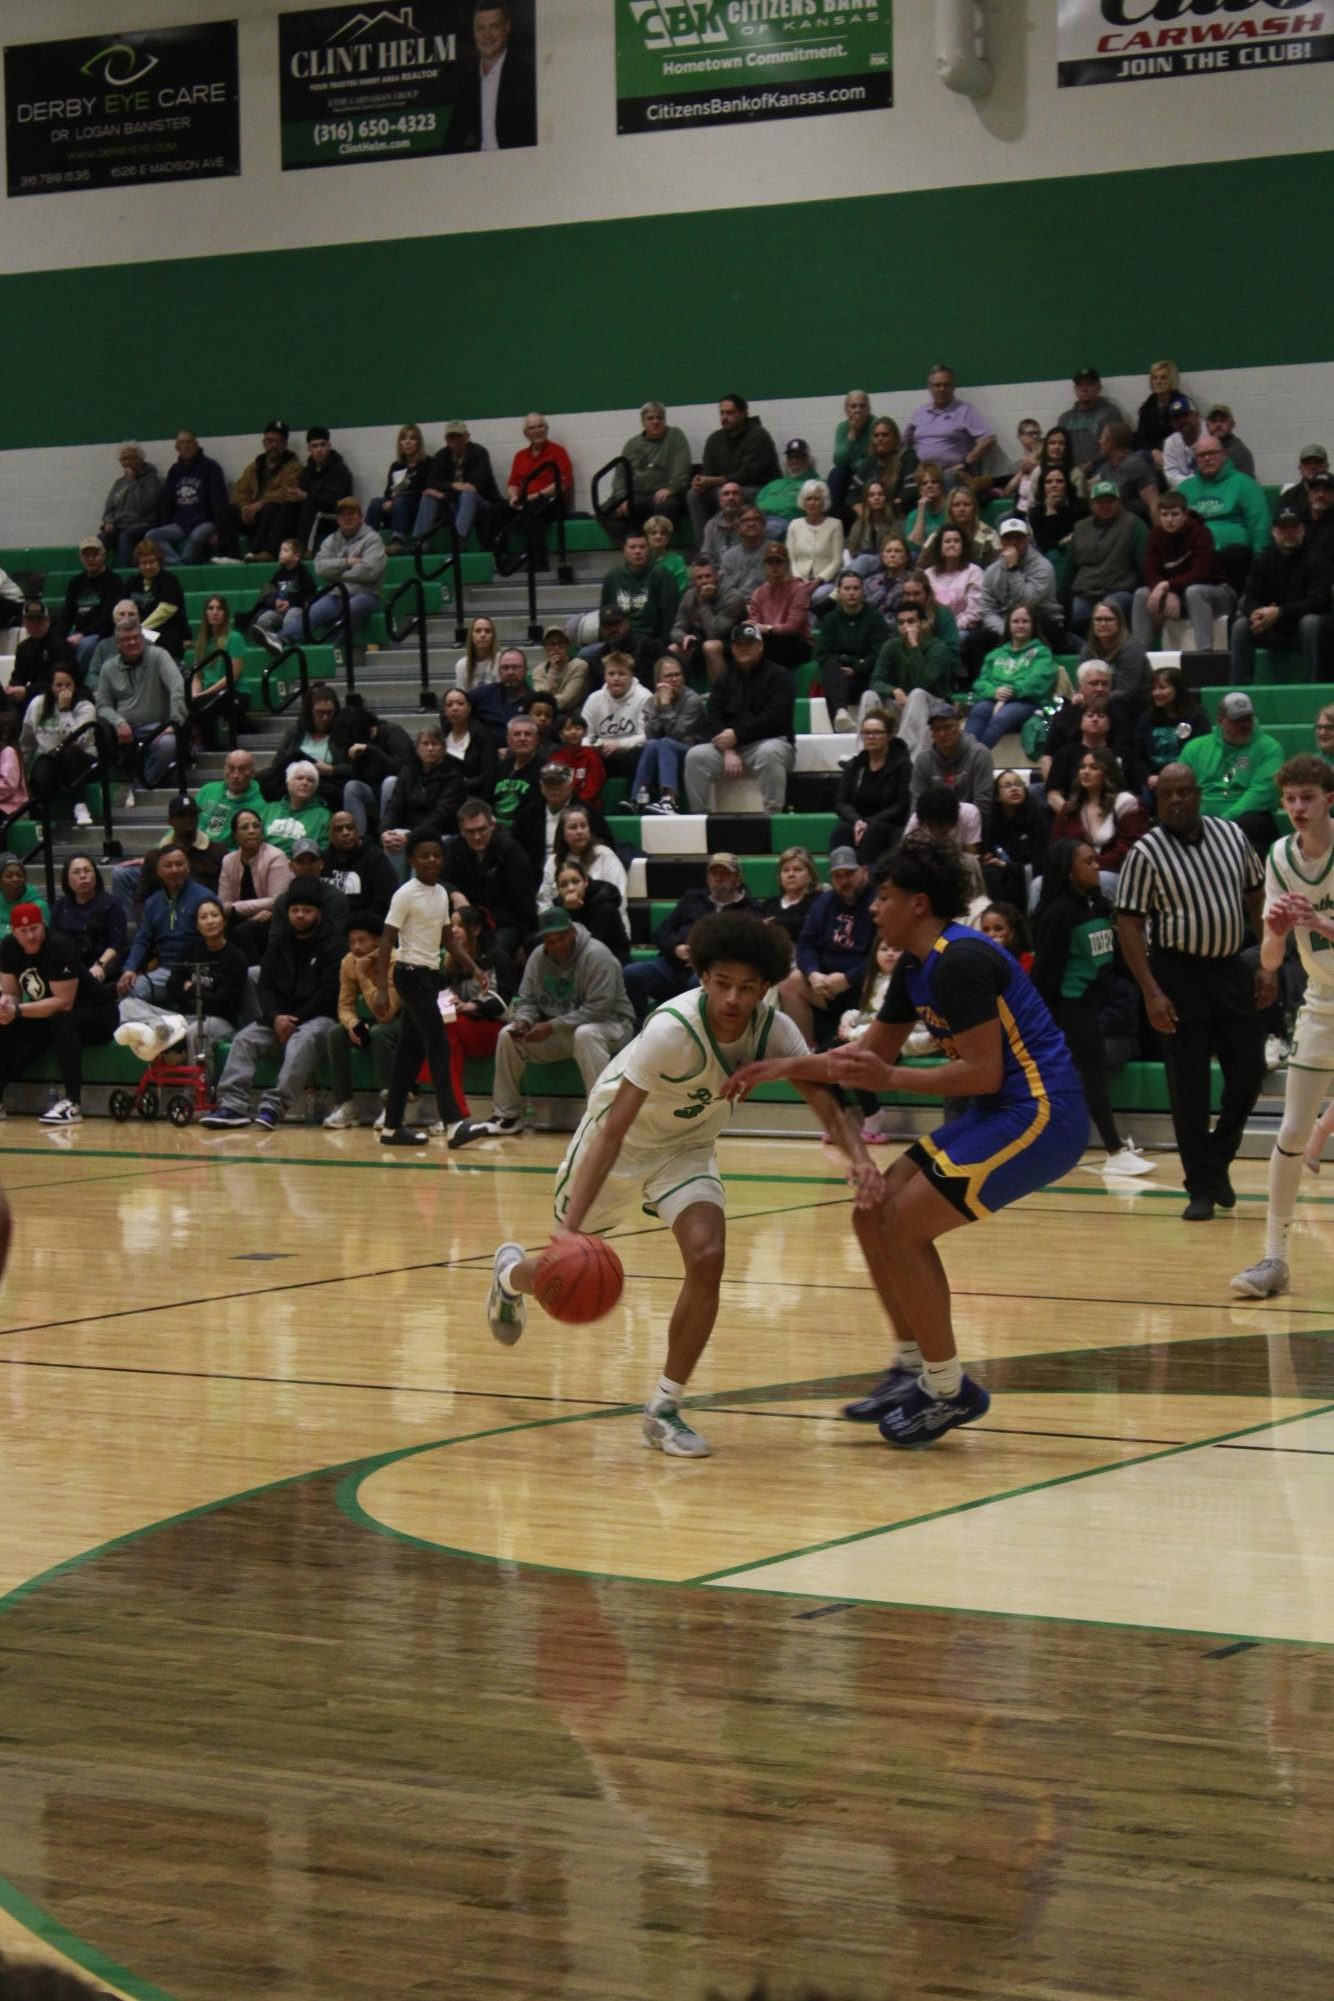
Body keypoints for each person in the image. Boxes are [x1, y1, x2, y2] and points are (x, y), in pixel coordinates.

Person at [726, 837, 1087, 1441]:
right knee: (872, 1213)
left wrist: (891, 1079)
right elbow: (867, 1054)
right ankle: (913, 1367)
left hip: (1042, 1112)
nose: (873, 908)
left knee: (902, 1225)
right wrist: (780, 1067)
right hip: (1003, 1109)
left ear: (919, 904)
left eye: (884, 897)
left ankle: (948, 1391)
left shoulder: (962, 960)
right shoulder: (916, 966)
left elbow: (981, 1072)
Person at [482, 911, 826, 1458]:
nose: (734, 999)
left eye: (747, 988)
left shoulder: (774, 1029)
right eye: (722, 984)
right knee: (559, 1264)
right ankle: (510, 1276)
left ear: (765, 988)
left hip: (685, 1149)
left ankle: (664, 1409)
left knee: (708, 1255)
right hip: (619, 1146)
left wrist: (857, 1157)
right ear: (702, 978)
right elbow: (614, 1131)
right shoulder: (672, 1029)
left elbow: (820, 1085)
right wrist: (567, 1234)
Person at [1115, 764, 1273, 1220]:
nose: (1177, 801)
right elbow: (1129, 923)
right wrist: (1151, 991)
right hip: (1176, 973)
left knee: (1248, 1073)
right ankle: (1200, 1187)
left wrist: (1266, 960)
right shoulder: (1145, 851)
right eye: (1168, 795)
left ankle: (1215, 1161)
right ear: (1158, 801)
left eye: (1184, 792)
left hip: (1230, 969)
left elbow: (1257, 896)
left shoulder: (1231, 835)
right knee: (1189, 1088)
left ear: (1199, 794)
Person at [1230, 757, 1334, 1297]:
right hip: (1322, 1002)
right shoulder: (1278, 858)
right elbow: (1270, 963)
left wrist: (1320, 922)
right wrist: (1273, 931)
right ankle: (1275, 1258)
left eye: (1307, 798)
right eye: (1290, 798)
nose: (1297, 808)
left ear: (1328, 799)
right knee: (1292, 1132)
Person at [450, 905, 634, 1146]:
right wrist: (524, 1021)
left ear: (573, 932)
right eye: (550, 940)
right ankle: (506, 1117)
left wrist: (551, 1026)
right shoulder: (538, 957)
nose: (556, 945)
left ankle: (602, 1118)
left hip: (612, 1026)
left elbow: (598, 1008)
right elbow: (527, 1001)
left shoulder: (597, 955)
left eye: (561, 938)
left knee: (586, 1034)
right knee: (508, 1035)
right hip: (565, 1031)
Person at [1033, 839, 1153, 1176]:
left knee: (1081, 1077)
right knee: (1094, 1075)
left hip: (1096, 1003)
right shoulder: (1057, 915)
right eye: (1088, 861)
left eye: (1095, 859)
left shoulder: (1098, 905)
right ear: (1068, 870)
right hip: (1069, 1006)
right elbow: (1045, 976)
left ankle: (1062, 1144)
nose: (1097, 865)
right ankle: (1114, 1151)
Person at [201, 881, 344, 1131]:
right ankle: (233, 1106)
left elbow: (328, 993)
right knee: (245, 1039)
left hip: (319, 1017)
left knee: (304, 1039)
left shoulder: (334, 944)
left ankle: (273, 1107)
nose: (300, 915)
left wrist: (294, 1019)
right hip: (280, 1016)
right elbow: (265, 985)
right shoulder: (279, 941)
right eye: (295, 909)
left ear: (318, 913)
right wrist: (276, 1017)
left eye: (306, 910)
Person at [0, 901, 118, 1124]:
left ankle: (73, 1103)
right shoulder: (8, 948)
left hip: (98, 1013)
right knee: (6, 1023)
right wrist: (6, 1005)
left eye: (34, 928)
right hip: (53, 1013)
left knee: (62, 1019)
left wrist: (17, 1010)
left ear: (43, 925)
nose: (30, 936)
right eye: (23, 931)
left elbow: (64, 1002)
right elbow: (12, 993)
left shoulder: (59, 946)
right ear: (14, 932)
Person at [115, 893, 246, 1067]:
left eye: (215, 915)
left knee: (195, 1032)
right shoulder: (190, 949)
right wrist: (198, 994)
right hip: (183, 1018)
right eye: (204, 917)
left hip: (219, 1021)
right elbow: (172, 988)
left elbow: (223, 1002)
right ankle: (159, 1026)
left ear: (224, 921)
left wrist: (192, 990)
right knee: (127, 1004)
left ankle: (196, 1092)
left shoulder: (236, 957)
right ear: (197, 926)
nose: (210, 921)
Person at [623, 852, 755, 1023]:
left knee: (699, 984)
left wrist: (702, 957)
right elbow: (662, 932)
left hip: (711, 972)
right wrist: (676, 947)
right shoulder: (692, 898)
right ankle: (639, 1030)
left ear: (738, 879)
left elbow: (743, 950)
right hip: (673, 966)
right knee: (632, 973)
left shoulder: (749, 910)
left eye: (725, 874)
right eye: (714, 873)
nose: (718, 878)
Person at [683, 624, 795, 814]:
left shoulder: (780, 676)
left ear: (760, 646)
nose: (743, 648)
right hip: (730, 748)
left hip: (769, 743)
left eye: (749, 643)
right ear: (732, 648)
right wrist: (728, 748)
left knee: (769, 752)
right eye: (738, 644)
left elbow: (775, 718)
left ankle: (774, 814)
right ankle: (699, 818)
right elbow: (713, 717)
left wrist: (737, 736)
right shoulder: (723, 680)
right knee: (695, 756)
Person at [778, 848, 876, 1044]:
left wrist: (848, 979)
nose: (844, 881)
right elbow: (806, 944)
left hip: (863, 985)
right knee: (790, 981)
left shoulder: (878, 902)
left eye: (849, 873)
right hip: (825, 986)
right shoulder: (825, 901)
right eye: (837, 876)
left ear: (864, 871)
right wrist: (813, 974)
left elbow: (883, 954)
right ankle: (805, 1053)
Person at [1229, 507, 1332, 685]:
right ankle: (1239, 688)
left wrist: (1279, 611)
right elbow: (1251, 596)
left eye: (1293, 528)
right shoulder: (1262, 560)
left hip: (1306, 631)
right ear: (1274, 532)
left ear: (1302, 530)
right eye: (1283, 529)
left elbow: (1319, 601)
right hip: (1271, 627)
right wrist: (1256, 613)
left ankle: (1315, 685)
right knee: (1241, 625)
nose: (1288, 533)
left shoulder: (1317, 561)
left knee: (1310, 623)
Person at [1131, 487, 1234, 654]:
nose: (1169, 520)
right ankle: (1136, 654)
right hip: (1180, 596)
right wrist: (1169, 591)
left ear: (1185, 515)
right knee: (1142, 594)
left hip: (1216, 593)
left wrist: (1166, 586)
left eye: (1174, 514)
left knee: (1195, 591)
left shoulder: (1201, 532)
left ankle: (1205, 653)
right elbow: (1150, 571)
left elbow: (1201, 574)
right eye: (1164, 515)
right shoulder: (1155, 535)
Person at [1181, 690, 1282, 852]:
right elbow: (1182, 788)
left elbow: (1262, 792)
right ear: (1220, 721)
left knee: (1253, 823)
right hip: (1200, 816)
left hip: (1246, 819)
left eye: (1247, 718)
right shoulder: (1195, 748)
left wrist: (1224, 821)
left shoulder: (1269, 748)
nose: (1244, 725)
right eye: (1237, 720)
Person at [94, 620, 186, 795]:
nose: (132, 643)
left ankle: (138, 789)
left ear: (143, 638)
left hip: (158, 727)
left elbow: (177, 687)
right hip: (122, 732)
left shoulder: (159, 656)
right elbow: (102, 706)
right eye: (126, 639)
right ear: (118, 644)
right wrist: (118, 722)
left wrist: (174, 722)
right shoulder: (108, 668)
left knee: (168, 744)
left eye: (136, 638)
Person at [115, 844, 212, 1002]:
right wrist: (130, 968)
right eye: (168, 865)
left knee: (133, 996)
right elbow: (142, 939)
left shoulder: (204, 898)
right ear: (159, 872)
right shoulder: (153, 903)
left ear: (188, 867)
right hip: (165, 969)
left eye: (179, 864)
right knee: (126, 988)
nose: (174, 870)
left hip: (196, 969)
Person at [967, 517, 1066, 672]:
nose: (1013, 542)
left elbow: (1026, 603)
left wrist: (1013, 569)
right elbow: (988, 611)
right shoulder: (992, 571)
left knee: (1036, 626)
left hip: (1041, 622)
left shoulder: (1043, 566)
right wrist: (1005, 631)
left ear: (1027, 540)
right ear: (1001, 541)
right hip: (1007, 625)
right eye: (1008, 538)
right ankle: (982, 688)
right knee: (975, 640)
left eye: (1018, 537)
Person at [440, 798, 537, 957]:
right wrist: (454, 894)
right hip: (465, 922)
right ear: (462, 830)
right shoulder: (455, 848)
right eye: (470, 831)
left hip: (503, 925)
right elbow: (439, 880)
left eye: (482, 829)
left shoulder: (510, 851)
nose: (477, 836)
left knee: (489, 952)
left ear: (492, 825)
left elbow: (524, 906)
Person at [1177, 436, 1271, 594]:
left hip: (1232, 559)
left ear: (1224, 455)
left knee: (1233, 554)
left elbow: (1259, 526)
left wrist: (1260, 566)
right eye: (1201, 455)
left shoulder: (1244, 484)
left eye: (1212, 453)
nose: (1207, 458)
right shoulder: (1185, 489)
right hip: (1195, 556)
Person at [285, 499, 386, 644]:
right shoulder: (330, 541)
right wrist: (347, 562)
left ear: (360, 517)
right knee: (313, 611)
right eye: (343, 515)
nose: (347, 518)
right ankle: (280, 638)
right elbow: (320, 568)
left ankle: (332, 648)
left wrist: (336, 573)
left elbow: (370, 571)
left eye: (351, 513)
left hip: (366, 593)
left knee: (353, 607)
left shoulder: (373, 540)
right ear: (338, 519)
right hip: (336, 594)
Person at [1049, 748, 1147, 893]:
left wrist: (1089, 866)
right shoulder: (1070, 807)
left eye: (1094, 768)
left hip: (1114, 871)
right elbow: (1056, 844)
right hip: (1074, 872)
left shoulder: (1126, 804)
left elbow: (1129, 849)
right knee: (1038, 885)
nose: (1085, 772)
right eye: (1083, 767)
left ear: (1108, 773)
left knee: (1102, 880)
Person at [688, 394, 782, 544]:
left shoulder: (758, 435)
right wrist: (700, 483)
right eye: (722, 413)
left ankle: (737, 544)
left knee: (726, 494)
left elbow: (748, 474)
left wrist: (714, 481)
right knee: (694, 495)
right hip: (727, 486)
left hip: (759, 488)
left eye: (730, 413)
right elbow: (708, 472)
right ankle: (705, 549)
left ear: (744, 413)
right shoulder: (714, 439)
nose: (725, 417)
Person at [965, 604, 1057, 749]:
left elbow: (1035, 683)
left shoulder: (1042, 653)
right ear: (1008, 625)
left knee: (1001, 718)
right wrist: (994, 692)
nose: (1020, 625)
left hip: (1027, 702)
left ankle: (977, 761)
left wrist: (1009, 693)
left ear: (1033, 625)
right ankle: (967, 758)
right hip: (994, 698)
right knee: (978, 711)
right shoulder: (996, 653)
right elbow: (981, 682)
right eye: (1015, 621)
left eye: (1025, 621)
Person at [451, 1, 537, 151]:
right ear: (474, 32)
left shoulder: (526, 75)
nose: (487, 35)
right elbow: (453, 138)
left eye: (494, 26)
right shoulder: (466, 81)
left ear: (507, 27)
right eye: (481, 28)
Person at [21, 668, 97, 829]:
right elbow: (27, 742)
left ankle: (80, 805)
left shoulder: (85, 707)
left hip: (82, 759)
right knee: (41, 773)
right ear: (50, 687)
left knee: (70, 753)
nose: (64, 690)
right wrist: (22, 773)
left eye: (68, 685)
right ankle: (44, 820)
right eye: (59, 685)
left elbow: (77, 741)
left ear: (75, 685)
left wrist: (65, 710)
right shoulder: (37, 705)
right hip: (51, 757)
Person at [834, 706, 911, 863]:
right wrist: (857, 821)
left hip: (889, 823)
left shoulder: (903, 765)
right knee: (841, 831)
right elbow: (841, 802)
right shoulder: (855, 765)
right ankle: (839, 878)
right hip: (858, 822)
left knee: (874, 832)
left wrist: (869, 823)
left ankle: (866, 879)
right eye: (866, 732)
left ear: (889, 735)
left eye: (876, 732)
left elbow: (902, 805)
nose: (871, 737)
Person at [631, 655, 707, 814]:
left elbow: (676, 734)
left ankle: (670, 801)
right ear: (658, 680)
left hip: (693, 751)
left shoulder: (693, 700)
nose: (674, 679)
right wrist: (659, 705)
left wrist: (665, 706)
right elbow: (651, 736)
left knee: (665, 742)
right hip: (664, 751)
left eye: (677, 674)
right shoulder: (651, 701)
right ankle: (637, 799)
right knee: (652, 744)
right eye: (668, 675)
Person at [813, 571, 889, 730]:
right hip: (839, 676)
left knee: (833, 682)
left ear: (863, 591)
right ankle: (841, 712)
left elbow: (879, 654)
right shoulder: (830, 620)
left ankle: (841, 719)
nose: (852, 592)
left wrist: (855, 668)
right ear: (839, 593)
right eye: (847, 588)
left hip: (866, 678)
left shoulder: (875, 619)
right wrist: (845, 667)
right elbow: (822, 654)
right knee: (831, 668)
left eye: (856, 588)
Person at [603, 401, 691, 537]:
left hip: (665, 494)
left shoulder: (675, 436)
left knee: (667, 506)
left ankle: (657, 547)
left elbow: (682, 468)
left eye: (660, 418)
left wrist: (671, 488)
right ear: (643, 422)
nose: (655, 422)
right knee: (603, 511)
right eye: (650, 418)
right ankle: (633, 543)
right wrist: (622, 498)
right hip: (637, 495)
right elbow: (620, 476)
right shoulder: (632, 444)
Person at [1067, 481, 1145, 634]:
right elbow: (1069, 571)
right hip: (1086, 593)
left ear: (1119, 502)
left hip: (1120, 590)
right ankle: (1089, 653)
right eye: (1100, 502)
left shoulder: (1134, 525)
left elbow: (1144, 565)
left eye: (1110, 501)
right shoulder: (1080, 528)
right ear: (1092, 505)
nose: (1105, 506)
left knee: (1106, 613)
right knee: (1070, 618)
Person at [902, 364, 996, 487]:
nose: (942, 389)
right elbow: (905, 442)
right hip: (924, 474)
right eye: (937, 385)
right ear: (929, 387)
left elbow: (989, 440)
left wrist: (966, 463)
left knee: (944, 483)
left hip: (953, 474)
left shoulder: (965, 411)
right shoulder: (919, 413)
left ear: (953, 388)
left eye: (946, 385)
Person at [219, 807, 293, 962]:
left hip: (272, 918)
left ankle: (255, 978)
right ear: (235, 835)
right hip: (242, 918)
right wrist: (246, 914)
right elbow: (223, 904)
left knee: (242, 932)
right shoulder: (228, 860)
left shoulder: (276, 856)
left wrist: (235, 908)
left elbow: (277, 901)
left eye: (256, 826)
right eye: (245, 827)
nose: (252, 831)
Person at [147, 429, 229, 567]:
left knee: (196, 538)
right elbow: (167, 501)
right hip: (180, 523)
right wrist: (167, 523)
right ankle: (180, 565)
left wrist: (219, 531)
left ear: (196, 444)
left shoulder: (210, 467)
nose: (186, 446)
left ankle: (183, 567)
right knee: (151, 536)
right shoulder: (175, 470)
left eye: (189, 442)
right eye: (182, 443)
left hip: (205, 522)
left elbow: (219, 501)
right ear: (177, 448)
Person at [413, 422, 500, 548]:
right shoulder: (441, 456)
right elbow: (432, 482)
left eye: (458, 436)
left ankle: (459, 540)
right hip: (453, 503)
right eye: (451, 437)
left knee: (468, 494)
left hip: (481, 505)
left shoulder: (479, 453)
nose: (454, 440)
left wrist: (445, 494)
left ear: (467, 437)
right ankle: (420, 543)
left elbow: (477, 486)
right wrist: (454, 485)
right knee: (428, 496)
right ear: (446, 439)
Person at [227, 420, 302, 561]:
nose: (273, 445)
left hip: (273, 517)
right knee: (224, 511)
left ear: (285, 444)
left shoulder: (294, 467)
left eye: (278, 441)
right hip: (252, 517)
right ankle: (233, 555)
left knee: (271, 507)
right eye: (270, 440)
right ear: (264, 442)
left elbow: (287, 492)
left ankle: (260, 552)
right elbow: (239, 492)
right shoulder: (254, 467)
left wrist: (260, 504)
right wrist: (245, 508)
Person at [1131, 666, 1209, 803]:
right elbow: (1137, 757)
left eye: (1162, 687)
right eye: (1154, 688)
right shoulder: (1146, 719)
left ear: (1177, 689)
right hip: (1155, 783)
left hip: (1187, 781)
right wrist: (1148, 777)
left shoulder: (1197, 716)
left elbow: (1203, 754)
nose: (1156, 693)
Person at [910, 699, 995, 815]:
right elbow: (916, 806)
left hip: (970, 824)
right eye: (936, 729)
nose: (942, 733)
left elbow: (983, 804)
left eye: (947, 727)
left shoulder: (979, 754)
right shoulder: (923, 760)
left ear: (959, 725)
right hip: (934, 826)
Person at [51, 854, 126, 985]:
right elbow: (53, 940)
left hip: (100, 965)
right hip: (69, 964)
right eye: (76, 872)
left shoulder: (111, 903)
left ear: (95, 875)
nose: (83, 876)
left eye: (87, 870)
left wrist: (100, 964)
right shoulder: (61, 905)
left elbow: (117, 942)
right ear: (67, 879)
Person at [580, 651, 654, 783]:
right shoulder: (594, 699)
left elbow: (647, 736)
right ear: (605, 676)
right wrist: (590, 747)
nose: (616, 678)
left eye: (621, 673)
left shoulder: (645, 697)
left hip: (631, 753)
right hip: (603, 753)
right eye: (611, 673)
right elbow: (585, 735)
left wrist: (619, 745)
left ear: (631, 675)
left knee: (636, 756)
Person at [981, 768, 1049, 907]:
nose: (1014, 789)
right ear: (998, 796)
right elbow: (990, 852)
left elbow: (1041, 863)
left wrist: (1007, 865)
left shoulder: (1037, 819)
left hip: (1029, 876)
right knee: (990, 874)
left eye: (1018, 784)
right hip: (1001, 876)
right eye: (1007, 785)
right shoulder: (992, 823)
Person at [670, 558, 746, 683]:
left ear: (716, 577)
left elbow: (715, 632)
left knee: (710, 646)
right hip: (700, 640)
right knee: (674, 648)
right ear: (693, 581)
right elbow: (677, 628)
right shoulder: (689, 596)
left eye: (708, 576)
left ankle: (720, 693)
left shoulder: (732, 597)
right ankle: (681, 695)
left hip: (731, 641)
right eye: (699, 578)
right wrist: (683, 638)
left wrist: (703, 602)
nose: (704, 581)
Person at [746, 541, 812, 669]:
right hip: (770, 641)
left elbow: (793, 627)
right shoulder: (758, 593)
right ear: (764, 566)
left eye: (779, 562)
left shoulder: (798, 589)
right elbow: (755, 625)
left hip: (797, 642)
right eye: (770, 562)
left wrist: (767, 628)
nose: (774, 566)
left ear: (787, 564)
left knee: (768, 646)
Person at [550, 855, 629, 963]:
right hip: (574, 965)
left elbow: (591, 948)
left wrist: (573, 912)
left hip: (609, 964)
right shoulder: (559, 908)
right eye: (564, 885)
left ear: (585, 881)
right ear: (558, 889)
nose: (571, 888)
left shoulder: (605, 907)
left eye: (576, 881)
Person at [367, 422, 432, 549]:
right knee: (376, 503)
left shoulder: (428, 463)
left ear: (419, 442)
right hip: (397, 504)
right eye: (404, 439)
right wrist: (388, 501)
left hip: (415, 506)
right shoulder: (396, 466)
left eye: (412, 438)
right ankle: (367, 541)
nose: (407, 442)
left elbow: (424, 490)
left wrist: (396, 500)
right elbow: (388, 491)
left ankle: (397, 541)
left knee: (401, 501)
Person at [1078, 599, 1152, 710]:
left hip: (1132, 707)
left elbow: (1126, 692)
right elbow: (1081, 684)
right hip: (1099, 703)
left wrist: (1093, 700)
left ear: (1119, 622)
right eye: (1098, 619)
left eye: (1108, 619)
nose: (1103, 624)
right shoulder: (1087, 649)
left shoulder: (1132, 649)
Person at [60, 538, 121, 674]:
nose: (91, 559)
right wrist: (59, 637)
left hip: (101, 633)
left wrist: (83, 634)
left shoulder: (114, 581)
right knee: (56, 643)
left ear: (104, 555)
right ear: (81, 558)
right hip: (78, 632)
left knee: (85, 645)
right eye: (87, 555)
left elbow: (107, 616)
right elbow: (67, 614)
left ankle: (74, 678)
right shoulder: (75, 582)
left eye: (95, 554)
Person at [323, 809, 398, 917]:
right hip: (331, 925)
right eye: (339, 829)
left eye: (350, 828)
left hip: (365, 925)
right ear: (330, 836)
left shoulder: (376, 858)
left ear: (358, 831)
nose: (345, 833)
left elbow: (386, 900)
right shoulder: (323, 860)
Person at [99, 443, 162, 569]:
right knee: (101, 539)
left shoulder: (151, 480)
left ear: (140, 459)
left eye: (132, 458)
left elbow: (144, 506)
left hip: (143, 524)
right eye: (124, 459)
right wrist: (108, 522)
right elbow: (109, 509)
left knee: (126, 536)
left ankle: (123, 572)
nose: (128, 462)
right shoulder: (119, 483)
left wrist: (133, 481)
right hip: (120, 524)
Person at [293, 426, 353, 554]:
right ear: (309, 449)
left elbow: (338, 500)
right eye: (314, 446)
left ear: (329, 446)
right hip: (315, 515)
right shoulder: (306, 472)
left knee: (309, 504)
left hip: (335, 515)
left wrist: (308, 496)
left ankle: (303, 550)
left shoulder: (340, 470)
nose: (319, 450)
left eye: (322, 445)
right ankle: (277, 550)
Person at [10, 599, 75, 712]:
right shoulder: (23, 648)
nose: (35, 624)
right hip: (32, 694)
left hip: (58, 695)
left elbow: (60, 682)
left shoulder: (60, 645)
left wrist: (26, 690)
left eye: (39, 619)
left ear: (48, 621)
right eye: (31, 619)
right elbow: (18, 677)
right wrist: (12, 689)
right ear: (24, 622)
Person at [1058, 368, 1126, 475]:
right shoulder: (1065, 418)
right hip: (1071, 473)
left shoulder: (1110, 412)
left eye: (1089, 384)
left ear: (1099, 388)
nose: (1084, 388)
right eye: (1080, 385)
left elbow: (1117, 446)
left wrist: (1092, 464)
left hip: (1103, 470)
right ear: (1075, 389)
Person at [920, 526, 985, 633]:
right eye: (947, 541)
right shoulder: (928, 574)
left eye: (956, 541)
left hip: (962, 628)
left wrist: (951, 627)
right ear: (940, 547)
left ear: (963, 546)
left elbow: (975, 612)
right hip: (932, 628)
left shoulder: (974, 572)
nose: (952, 544)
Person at [195, 748, 264, 847]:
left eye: (242, 769)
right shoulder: (208, 790)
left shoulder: (261, 802)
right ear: (224, 769)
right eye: (231, 768)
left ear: (252, 773)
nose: (236, 775)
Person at [1094, 421, 1161, 524]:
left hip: (1135, 523)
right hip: (1114, 523)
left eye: (1102, 438)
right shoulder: (1107, 468)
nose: (1100, 442)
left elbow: (1153, 503)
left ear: (1110, 442)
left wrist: (1159, 537)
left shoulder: (1135, 464)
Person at [261, 761, 332, 857]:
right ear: (288, 783)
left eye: (310, 780)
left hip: (302, 865)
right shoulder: (269, 809)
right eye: (299, 778)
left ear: (315, 788)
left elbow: (324, 848)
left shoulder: (324, 815)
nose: (305, 783)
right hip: (266, 861)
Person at [756, 438, 820, 539]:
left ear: (808, 460)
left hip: (787, 523)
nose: (794, 461)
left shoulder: (815, 484)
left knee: (757, 534)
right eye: (790, 457)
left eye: (799, 457)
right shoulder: (773, 484)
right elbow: (756, 505)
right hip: (760, 521)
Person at [758, 846, 821, 944]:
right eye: (785, 870)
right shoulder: (769, 904)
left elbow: (812, 925)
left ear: (810, 876)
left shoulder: (819, 901)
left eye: (798, 870)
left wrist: (777, 922)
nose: (791, 874)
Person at [1027, 465, 1085, 559]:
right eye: (1048, 482)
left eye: (1059, 481)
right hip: (1048, 556)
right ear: (1043, 487)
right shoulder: (1036, 512)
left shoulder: (1080, 506)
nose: (1054, 485)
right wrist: (1051, 510)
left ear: (1067, 485)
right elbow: (1043, 543)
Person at [531, 625, 588, 715]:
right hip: (544, 716)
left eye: (560, 643)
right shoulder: (538, 671)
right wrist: (553, 670)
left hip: (572, 714)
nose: (556, 647)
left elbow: (567, 699)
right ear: (545, 648)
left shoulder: (579, 665)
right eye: (552, 644)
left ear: (567, 646)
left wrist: (545, 706)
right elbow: (540, 698)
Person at [1133, 359, 1182, 463]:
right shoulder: (1147, 407)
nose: (1158, 382)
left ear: (1172, 380)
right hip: (1150, 455)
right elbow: (1140, 438)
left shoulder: (1182, 405)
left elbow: (1183, 436)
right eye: (1154, 378)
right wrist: (1153, 450)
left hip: (1177, 454)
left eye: (1163, 378)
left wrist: (1163, 451)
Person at [1162, 395, 1205, 488]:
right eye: (1176, 418)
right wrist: (1194, 483)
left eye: (1185, 415)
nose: (1181, 421)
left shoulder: (1211, 434)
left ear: (1196, 415)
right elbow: (1171, 476)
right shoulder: (1171, 442)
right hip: (1186, 491)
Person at [1204, 404, 1256, 480]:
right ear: (1207, 426)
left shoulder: (1240, 452)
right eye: (1214, 421)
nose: (1218, 424)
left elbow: (1243, 486)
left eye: (1223, 420)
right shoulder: (1203, 451)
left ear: (1232, 424)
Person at [0, 858, 48, 940]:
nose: (15, 879)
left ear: (25, 880)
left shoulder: (39, 906)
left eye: (19, 875)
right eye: (9, 876)